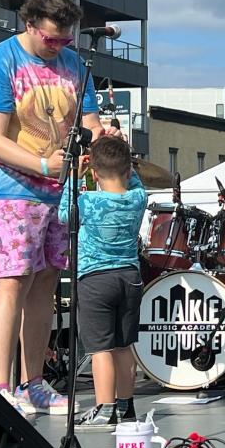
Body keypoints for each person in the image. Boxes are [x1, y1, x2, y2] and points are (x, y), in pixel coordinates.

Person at [0, 0, 117, 416]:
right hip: (13, 190)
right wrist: (40, 163)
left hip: (60, 189)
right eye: (51, 40)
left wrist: (101, 134)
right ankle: (0, 386)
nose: (58, 47)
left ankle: (33, 383)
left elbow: (87, 122)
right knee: (13, 280)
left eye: (65, 40)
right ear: (29, 25)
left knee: (46, 283)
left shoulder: (74, 64)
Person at [57, 136, 147, 428]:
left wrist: (75, 175)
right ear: (127, 169)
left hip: (95, 279)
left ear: (94, 173)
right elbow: (135, 182)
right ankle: (126, 406)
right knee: (124, 346)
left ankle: (104, 407)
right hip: (130, 278)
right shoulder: (137, 199)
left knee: (100, 349)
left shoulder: (88, 201)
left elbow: (62, 215)